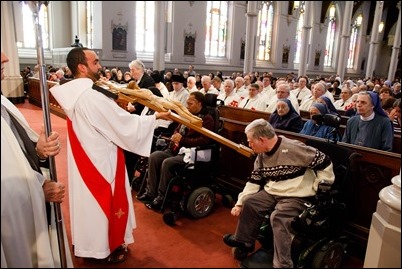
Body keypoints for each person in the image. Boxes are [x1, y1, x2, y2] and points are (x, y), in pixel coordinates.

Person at [49, 47, 171, 263]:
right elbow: (121, 124)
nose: (100, 65)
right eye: (95, 62)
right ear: (82, 67)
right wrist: (154, 118)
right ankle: (105, 248)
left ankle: (89, 244)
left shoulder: (77, 93)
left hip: (86, 155)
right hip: (100, 160)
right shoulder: (91, 95)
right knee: (103, 203)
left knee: (88, 204)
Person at [223, 119, 335, 268]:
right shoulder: (261, 155)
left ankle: (283, 264)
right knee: (251, 203)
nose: (249, 145)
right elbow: (254, 181)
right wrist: (239, 203)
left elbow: (325, 162)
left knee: (279, 217)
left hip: (297, 194)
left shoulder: (294, 148)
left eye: (251, 142)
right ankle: (244, 242)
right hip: (273, 191)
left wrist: (321, 184)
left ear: (262, 140)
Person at [1, 52, 70, 267]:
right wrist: (36, 191)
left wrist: (39, 150)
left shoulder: (3, 101)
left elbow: (16, 150)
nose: (6, 58)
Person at [137, 91, 215, 210]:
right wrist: (175, 136)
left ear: (200, 103)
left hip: (191, 153)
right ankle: (150, 192)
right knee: (154, 156)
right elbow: (177, 129)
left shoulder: (207, 119)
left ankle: (161, 197)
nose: (188, 106)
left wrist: (182, 139)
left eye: (191, 103)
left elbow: (204, 141)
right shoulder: (187, 114)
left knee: (167, 162)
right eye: (187, 103)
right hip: (176, 148)